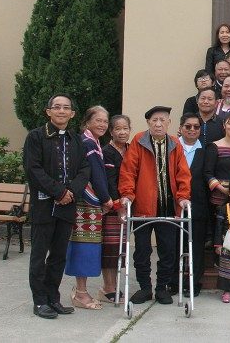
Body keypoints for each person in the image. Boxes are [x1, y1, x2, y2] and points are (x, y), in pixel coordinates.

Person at [25, 94, 90, 319]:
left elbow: (84, 168)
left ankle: (53, 298)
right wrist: (59, 191)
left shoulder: (76, 139)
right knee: (39, 254)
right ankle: (40, 301)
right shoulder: (35, 137)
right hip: (44, 205)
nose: (61, 111)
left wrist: (71, 191)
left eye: (66, 108)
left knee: (59, 255)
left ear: (72, 114)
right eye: (57, 107)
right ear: (48, 111)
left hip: (67, 205)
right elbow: (33, 169)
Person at [118, 106, 192, 306]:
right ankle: (145, 288)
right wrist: (127, 195)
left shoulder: (175, 143)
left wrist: (183, 196)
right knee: (142, 250)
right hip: (142, 205)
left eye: (162, 120)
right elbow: (128, 171)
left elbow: (183, 173)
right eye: (154, 121)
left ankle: (162, 288)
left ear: (169, 123)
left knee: (167, 250)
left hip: (168, 206)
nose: (158, 124)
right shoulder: (139, 141)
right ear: (148, 123)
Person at [65, 106, 113, 311]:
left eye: (105, 121)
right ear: (87, 122)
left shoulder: (92, 142)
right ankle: (81, 293)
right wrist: (106, 199)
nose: (102, 124)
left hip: (88, 203)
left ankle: (81, 291)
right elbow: (94, 174)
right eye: (98, 120)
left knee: (87, 247)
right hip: (85, 204)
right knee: (83, 247)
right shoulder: (87, 143)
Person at [173, 113, 210, 297]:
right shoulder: (171, 146)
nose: (192, 130)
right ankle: (172, 282)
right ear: (180, 128)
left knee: (195, 247)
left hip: (198, 205)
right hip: (172, 205)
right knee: (172, 245)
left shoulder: (206, 149)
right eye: (188, 126)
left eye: (196, 127)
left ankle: (194, 283)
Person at [101, 114, 131, 304]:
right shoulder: (107, 151)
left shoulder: (131, 149)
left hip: (127, 205)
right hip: (112, 206)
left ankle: (115, 286)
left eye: (125, 128)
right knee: (110, 248)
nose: (122, 132)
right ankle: (108, 288)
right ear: (111, 132)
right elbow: (109, 181)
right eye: (118, 129)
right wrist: (118, 205)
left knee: (122, 247)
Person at [205, 113, 230, 208]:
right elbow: (207, 173)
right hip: (217, 198)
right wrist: (222, 189)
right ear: (224, 125)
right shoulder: (214, 146)